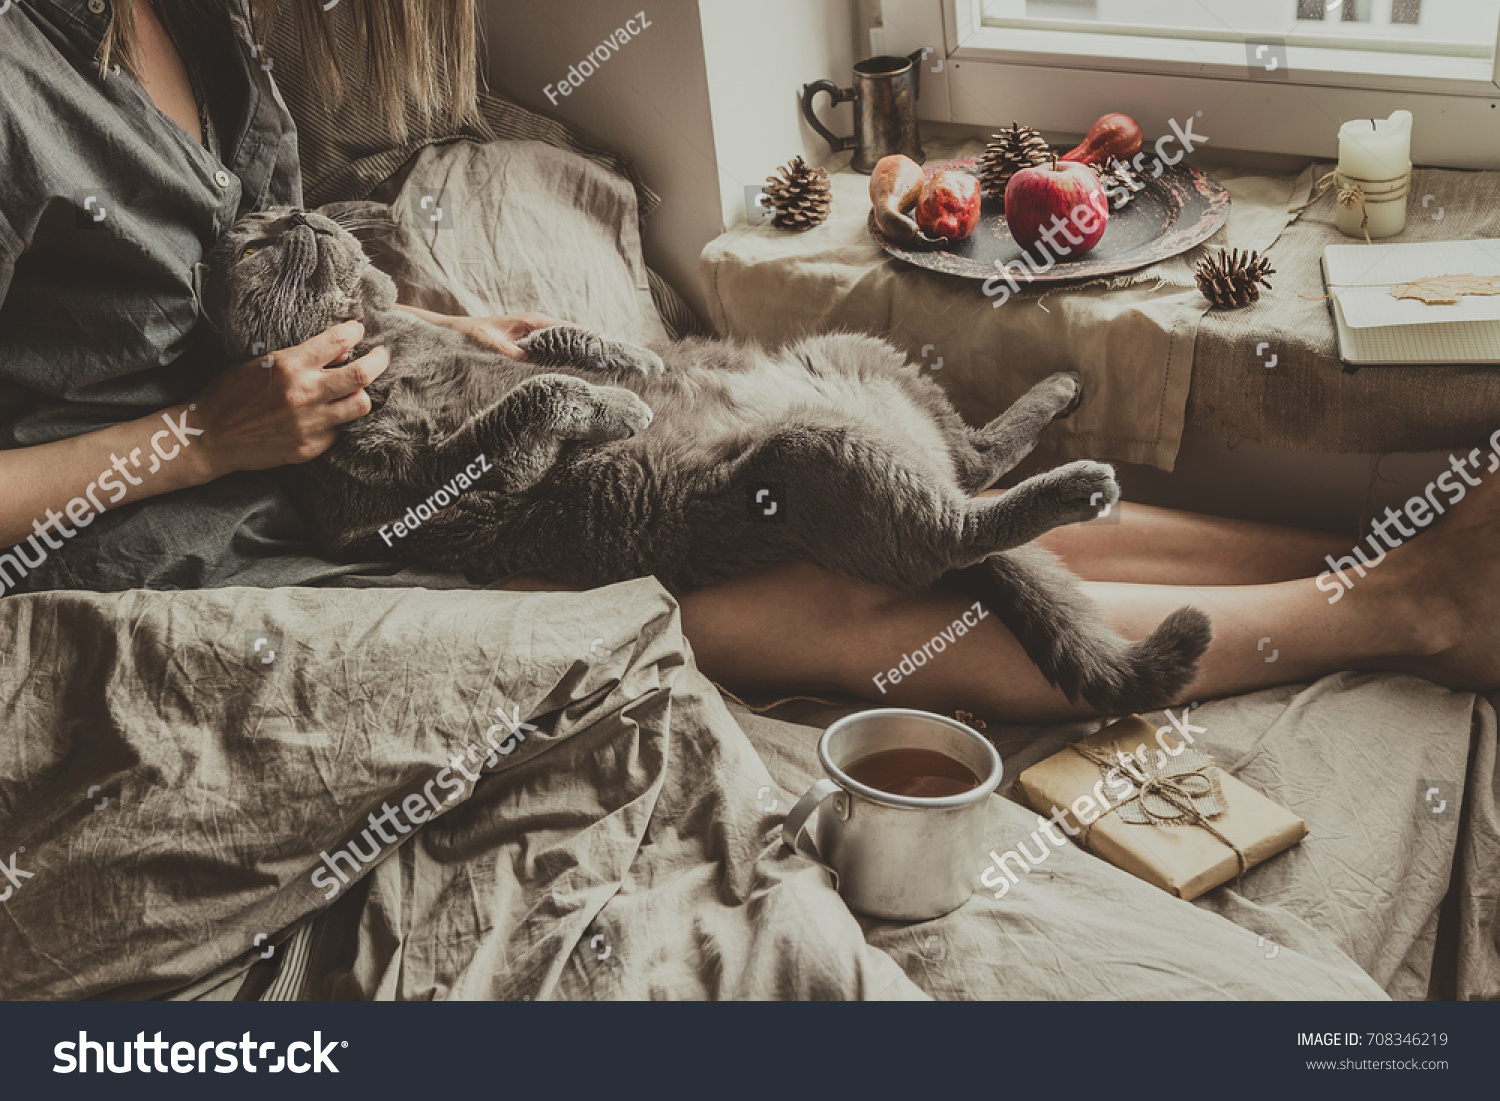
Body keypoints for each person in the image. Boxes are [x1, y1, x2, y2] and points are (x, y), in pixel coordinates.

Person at [2, 0, 1495, 724]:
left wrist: (438, 323)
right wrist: (197, 439)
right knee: (807, 562)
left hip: (371, 412)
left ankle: (1382, 548)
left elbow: (280, 233)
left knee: (856, 440)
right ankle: (1408, 611)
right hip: (205, 545)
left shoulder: (193, 11)